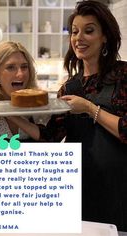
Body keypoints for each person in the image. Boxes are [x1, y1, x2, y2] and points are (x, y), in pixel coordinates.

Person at [39, 0, 127, 231]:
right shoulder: (69, 88)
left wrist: (89, 108)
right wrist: (12, 112)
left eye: (89, 31)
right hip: (80, 189)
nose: (79, 38)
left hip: (119, 189)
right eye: (74, 32)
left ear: (105, 36)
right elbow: (50, 138)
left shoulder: (123, 75)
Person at [0, 41, 48, 142]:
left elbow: (51, 143)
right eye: (11, 67)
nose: (20, 74)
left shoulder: (41, 112)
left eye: (24, 67)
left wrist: (11, 115)